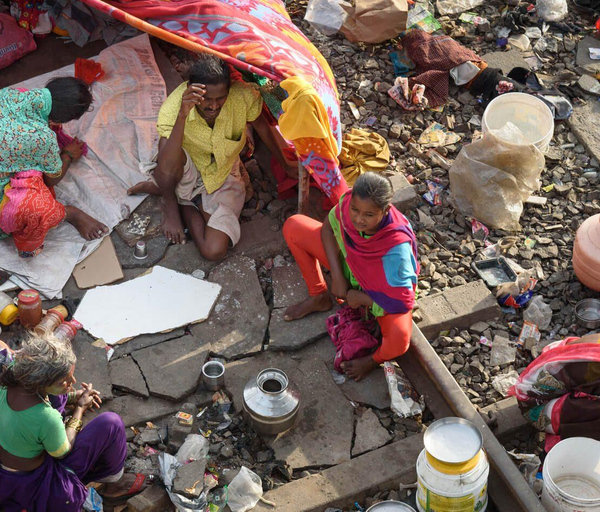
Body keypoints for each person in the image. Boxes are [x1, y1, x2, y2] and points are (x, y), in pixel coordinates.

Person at [129, 55, 297, 261]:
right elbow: (169, 155)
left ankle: (183, 201)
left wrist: (285, 163)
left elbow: (263, 126)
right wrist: (183, 114)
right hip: (186, 166)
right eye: (206, 99)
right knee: (166, 149)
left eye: (220, 98)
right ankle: (170, 204)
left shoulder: (243, 97)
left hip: (223, 173)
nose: (214, 106)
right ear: (191, 90)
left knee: (213, 250)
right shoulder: (175, 107)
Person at [0, 335, 147, 511]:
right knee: (111, 423)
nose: (72, 382)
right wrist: (80, 408)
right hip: (28, 483)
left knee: (61, 397)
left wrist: (73, 396)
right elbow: (62, 452)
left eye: (71, 375)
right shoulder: (45, 417)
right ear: (39, 382)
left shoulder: (15, 370)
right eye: (63, 381)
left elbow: (52, 397)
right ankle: (115, 484)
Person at [282, 172, 419, 381]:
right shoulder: (347, 202)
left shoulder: (395, 249)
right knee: (294, 226)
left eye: (369, 215)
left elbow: (402, 301)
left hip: (380, 291)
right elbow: (328, 228)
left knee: (400, 338)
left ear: (385, 211)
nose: (358, 219)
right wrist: (337, 275)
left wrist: (361, 298)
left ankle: (373, 360)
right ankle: (319, 295)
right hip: (351, 268)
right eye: (355, 210)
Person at [0, 77, 108, 258]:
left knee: (29, 160)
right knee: (39, 204)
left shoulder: (7, 93)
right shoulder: (43, 138)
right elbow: (52, 177)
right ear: (62, 118)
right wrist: (67, 154)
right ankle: (68, 214)